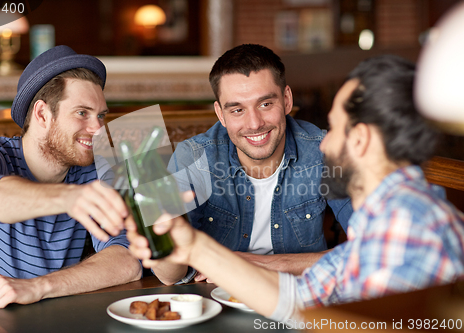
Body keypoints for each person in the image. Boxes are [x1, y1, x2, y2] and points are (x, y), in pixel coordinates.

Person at [127, 55, 464, 320]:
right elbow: (299, 300)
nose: (323, 142)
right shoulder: (389, 219)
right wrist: (192, 247)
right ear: (220, 113)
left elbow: (352, 324)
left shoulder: (406, 226)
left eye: (332, 128)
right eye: (237, 109)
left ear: (360, 140)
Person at [156, 44, 352, 284]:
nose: (254, 123)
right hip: (214, 301)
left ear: (287, 99)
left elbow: (370, 250)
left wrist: (269, 265)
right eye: (237, 109)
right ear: (220, 114)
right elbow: (167, 277)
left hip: (302, 298)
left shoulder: (323, 149)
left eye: (265, 104)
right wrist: (167, 235)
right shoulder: (193, 156)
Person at [0, 46, 142, 308]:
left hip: (52, 315)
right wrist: (70, 198)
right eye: (82, 113)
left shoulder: (96, 171)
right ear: (42, 114)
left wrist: (38, 287)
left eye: (101, 116)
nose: (98, 129)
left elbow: (128, 261)